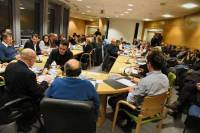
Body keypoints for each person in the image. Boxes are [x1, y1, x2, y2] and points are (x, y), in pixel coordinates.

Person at [108, 50, 169, 130]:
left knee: (112, 100)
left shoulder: (146, 81)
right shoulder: (165, 78)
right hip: (156, 108)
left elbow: (131, 100)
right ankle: (128, 120)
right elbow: (153, 86)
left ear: (149, 64)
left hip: (140, 110)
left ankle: (127, 119)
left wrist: (131, 90)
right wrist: (140, 82)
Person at [4, 48, 49, 132]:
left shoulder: (10, 66)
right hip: (24, 104)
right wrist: (45, 82)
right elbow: (37, 93)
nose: (35, 61)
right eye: (35, 59)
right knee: (46, 94)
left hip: (10, 98)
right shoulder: (28, 73)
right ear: (31, 59)